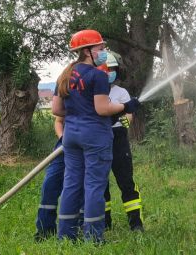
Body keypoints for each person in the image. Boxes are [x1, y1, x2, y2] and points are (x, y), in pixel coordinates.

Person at [51, 29, 140, 243]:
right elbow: (102, 109)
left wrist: (79, 114)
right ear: (87, 51)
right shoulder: (98, 75)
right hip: (95, 136)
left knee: (72, 184)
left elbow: (57, 109)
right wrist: (126, 106)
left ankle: (66, 235)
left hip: (71, 135)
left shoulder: (65, 75)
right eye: (100, 47)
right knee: (94, 185)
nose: (103, 51)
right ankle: (93, 237)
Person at [103, 51, 144, 232]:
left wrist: (122, 122)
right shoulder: (94, 93)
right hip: (100, 139)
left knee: (126, 181)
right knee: (101, 184)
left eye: (112, 69)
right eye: (106, 68)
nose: (109, 72)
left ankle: (136, 223)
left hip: (118, 138)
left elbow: (129, 115)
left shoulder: (121, 92)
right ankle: (104, 223)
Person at [33, 116, 69, 240]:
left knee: (79, 187)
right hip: (64, 144)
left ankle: (79, 228)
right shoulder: (65, 101)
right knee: (49, 184)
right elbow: (58, 120)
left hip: (86, 145)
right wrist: (63, 138)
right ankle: (45, 230)